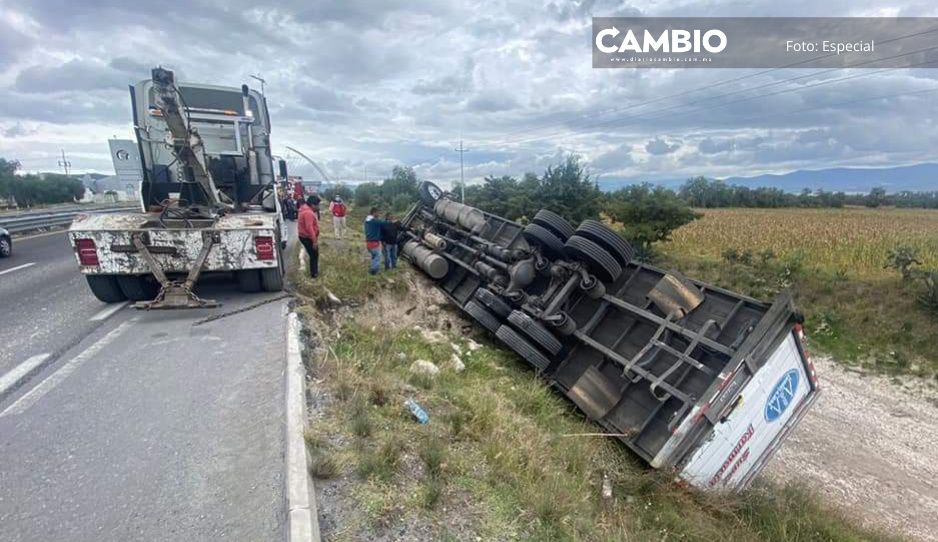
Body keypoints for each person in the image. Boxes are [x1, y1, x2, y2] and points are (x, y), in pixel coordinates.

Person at [298, 195, 320, 278]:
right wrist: (314, 241)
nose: (318, 207)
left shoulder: (304, 208)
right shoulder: (308, 213)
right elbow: (309, 227)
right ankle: (314, 274)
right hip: (307, 238)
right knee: (314, 255)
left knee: (313, 254)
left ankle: (314, 272)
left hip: (305, 236)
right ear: (313, 205)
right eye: (317, 205)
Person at [364, 207, 388, 275]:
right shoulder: (375, 221)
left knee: (374, 257)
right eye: (378, 213)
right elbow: (384, 223)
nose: (379, 214)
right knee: (378, 257)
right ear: (374, 213)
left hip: (368, 242)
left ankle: (374, 270)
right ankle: (373, 271)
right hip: (374, 242)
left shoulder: (367, 220)